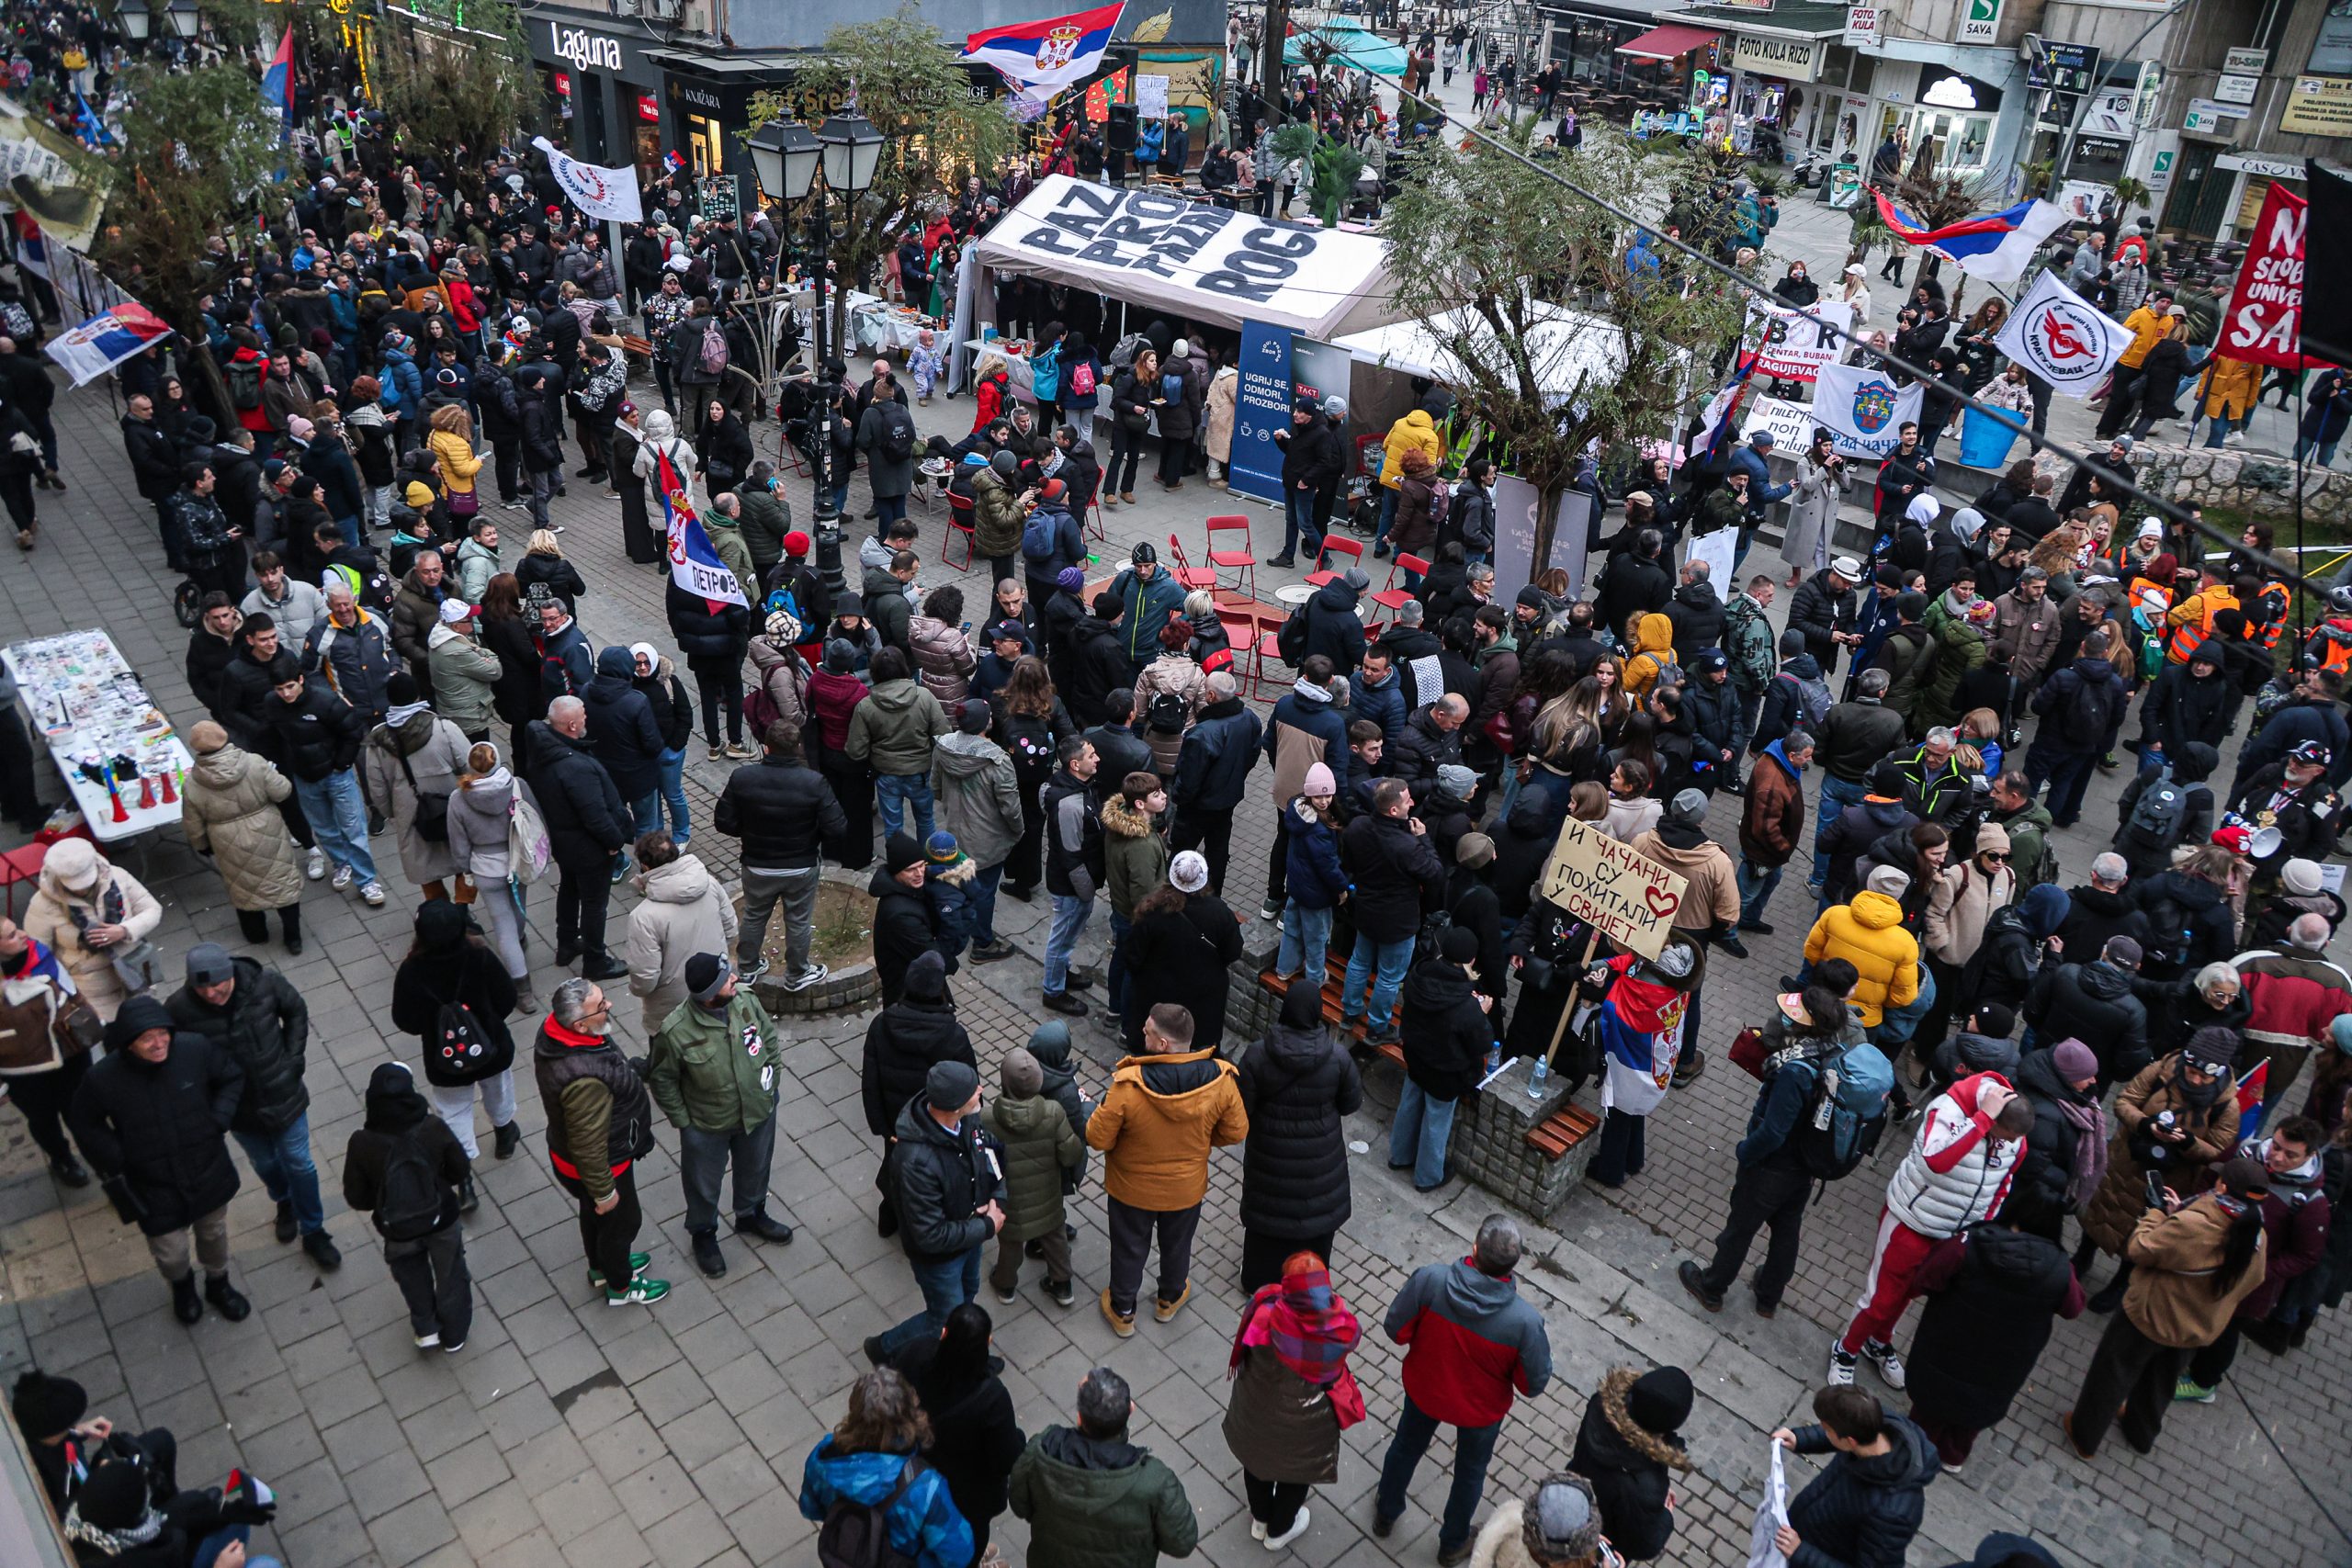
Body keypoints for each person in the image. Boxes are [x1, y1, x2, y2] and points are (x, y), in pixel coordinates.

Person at [1680, 976, 1873, 1317]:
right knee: (1786, 1230)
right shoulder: (1835, 1054)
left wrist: (1745, 1151)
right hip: (1805, 1165)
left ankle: (1712, 1286)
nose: (1787, 1018)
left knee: (1739, 1229)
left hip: (1773, 1166)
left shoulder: (1795, 1071)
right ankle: (1768, 1296)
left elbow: (1773, 1131)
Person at [2063, 1155, 2270, 1458]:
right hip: (2196, 1328)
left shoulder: (2197, 1226)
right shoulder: (2257, 1235)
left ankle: (2084, 1435)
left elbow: (2139, 1247)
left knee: (2112, 1375)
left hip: (2150, 1318)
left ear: (2223, 1186)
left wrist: (2157, 1214)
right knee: (2160, 1383)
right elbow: (2255, 1279)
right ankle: (2140, 1433)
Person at [1374, 1215, 1554, 1564]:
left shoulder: (1430, 1280)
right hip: (1480, 1413)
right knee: (1470, 1473)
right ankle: (1453, 1542)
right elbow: (1533, 1385)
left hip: (1425, 1392)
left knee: (1405, 1448)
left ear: (1474, 1248)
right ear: (1513, 1267)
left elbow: (1396, 1330)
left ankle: (1386, 1511)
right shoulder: (1525, 1323)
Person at [68, 998, 252, 1325]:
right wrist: (118, 1157)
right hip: (152, 1185)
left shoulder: (194, 1049)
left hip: (207, 1171)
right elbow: (84, 1122)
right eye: (147, 1038)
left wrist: (218, 1119)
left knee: (213, 1234)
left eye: (163, 1034)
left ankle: (218, 1283)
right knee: (171, 1252)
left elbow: (230, 1075)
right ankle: (182, 1288)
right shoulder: (103, 1078)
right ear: (128, 1043)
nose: (158, 1043)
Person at [164, 944, 339, 1270]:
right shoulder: (179, 1009)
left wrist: (293, 1060)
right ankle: (283, 1200)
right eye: (202, 988)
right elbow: (178, 1056)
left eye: (218, 985)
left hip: (283, 1095)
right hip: (238, 1109)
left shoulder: (265, 984)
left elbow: (296, 1011)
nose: (212, 993)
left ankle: (314, 1230)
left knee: (300, 1163)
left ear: (230, 973)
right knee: (265, 1161)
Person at [1087, 1002, 1246, 1334]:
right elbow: (1236, 1131)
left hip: (1131, 1191)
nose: (1141, 1031)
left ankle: (1123, 1310)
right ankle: (1169, 1301)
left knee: (1130, 1248)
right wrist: (1199, 1142)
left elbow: (1098, 1138)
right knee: (1177, 1245)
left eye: (1148, 1030)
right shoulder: (1221, 1081)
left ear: (1162, 1044)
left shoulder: (1128, 1087)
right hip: (1186, 1189)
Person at [1903, 1197, 2084, 1473]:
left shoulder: (1970, 1244)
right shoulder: (2060, 1269)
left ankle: (1911, 1451)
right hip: (2004, 1361)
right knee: (1975, 1409)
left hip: (1947, 1342)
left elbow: (1927, 1278)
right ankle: (1952, 1456)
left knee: (1932, 1403)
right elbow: (2073, 1308)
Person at [647, 953, 794, 1279]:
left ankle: (751, 1214)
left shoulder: (744, 1000)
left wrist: (772, 1083)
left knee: (756, 1167)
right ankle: (703, 1234)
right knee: (702, 1184)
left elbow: (767, 1037)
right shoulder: (676, 1031)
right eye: (727, 978)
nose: (735, 979)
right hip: (706, 1125)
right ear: (711, 995)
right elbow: (662, 1079)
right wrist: (683, 1122)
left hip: (757, 1111)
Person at [2074, 1029, 2242, 1313]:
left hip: (2171, 1179)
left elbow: (2218, 1150)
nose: (2196, 1080)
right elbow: (2124, 1101)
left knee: (2145, 1230)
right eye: (2191, 1072)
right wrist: (2144, 1124)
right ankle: (2082, 1258)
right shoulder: (2161, 1069)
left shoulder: (2228, 1104)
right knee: (2102, 1210)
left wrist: (2189, 1143)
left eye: (2205, 1077)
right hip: (2127, 1162)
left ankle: (2121, 1284)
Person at [535, 976, 669, 1304]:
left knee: (595, 1216)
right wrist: (605, 1191)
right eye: (600, 1006)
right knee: (621, 1222)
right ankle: (621, 1286)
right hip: (603, 1165)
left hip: (571, 1158)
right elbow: (588, 1145)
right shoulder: (583, 1081)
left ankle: (600, 1269)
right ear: (580, 1025)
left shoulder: (558, 1033)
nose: (608, 1006)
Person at [1222, 1249, 1365, 1551]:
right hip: (1308, 1419)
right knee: (1296, 1473)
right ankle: (1280, 1530)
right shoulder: (1340, 1328)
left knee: (1256, 1461)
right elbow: (1353, 1336)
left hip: (1258, 1405)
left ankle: (1260, 1519)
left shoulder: (1263, 1306)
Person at [867, 1059, 1007, 1363]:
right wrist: (987, 1227)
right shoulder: (915, 1162)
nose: (981, 1090)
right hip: (941, 1258)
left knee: (967, 1294)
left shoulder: (967, 1120)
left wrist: (998, 1199)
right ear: (953, 1106)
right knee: (943, 1320)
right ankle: (885, 1348)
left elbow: (991, 1156)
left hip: (969, 1235)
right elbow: (929, 1235)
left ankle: (969, 1353)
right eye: (973, 1090)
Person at [1009, 1365, 1201, 1568]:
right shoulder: (1155, 1480)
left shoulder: (1042, 1450)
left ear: (1080, 1417)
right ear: (1131, 1409)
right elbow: (1182, 1543)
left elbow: (1019, 1504)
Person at [1237, 985, 1363, 1291]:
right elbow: (1350, 1103)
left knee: (1268, 1216)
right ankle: (1309, 1286)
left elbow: (1242, 1107)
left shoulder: (1257, 1054)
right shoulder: (1338, 1057)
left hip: (1270, 1155)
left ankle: (1258, 1280)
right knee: (1313, 1222)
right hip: (1321, 1161)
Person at [343, 1061, 473, 1352]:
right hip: (440, 1218)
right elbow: (460, 1168)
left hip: (397, 1228)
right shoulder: (432, 1127)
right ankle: (454, 1334)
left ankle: (426, 1329)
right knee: (451, 1273)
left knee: (412, 1277)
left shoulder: (362, 1142)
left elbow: (357, 1197)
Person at [797, 1368, 976, 1568]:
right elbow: (959, 1555)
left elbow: (810, 1508)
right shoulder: (926, 1488)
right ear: (910, 1414)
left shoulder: (824, 1459)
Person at [260, 655, 387, 908]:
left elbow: (352, 732)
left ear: (301, 680)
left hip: (336, 776)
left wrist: (341, 764)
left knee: (354, 831)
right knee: (325, 829)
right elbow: (275, 736)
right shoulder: (272, 705)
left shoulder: (325, 701)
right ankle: (341, 864)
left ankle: (367, 881)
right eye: (279, 689)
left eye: (289, 687)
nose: (285, 694)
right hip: (304, 776)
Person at [1768, 1388, 1939, 1568]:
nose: (1824, 1432)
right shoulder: (1874, 1423)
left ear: (1850, 1442)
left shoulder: (1892, 1514)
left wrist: (1801, 1553)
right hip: (1807, 1533)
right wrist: (1800, 1439)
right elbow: (1841, 1429)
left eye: (1826, 1430)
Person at [526, 696, 631, 981]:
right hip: (588, 848)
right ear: (572, 725)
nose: (587, 719)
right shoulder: (575, 768)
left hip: (564, 841)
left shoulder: (541, 748)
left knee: (570, 889)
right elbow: (595, 816)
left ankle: (567, 942)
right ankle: (596, 961)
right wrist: (614, 841)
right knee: (596, 904)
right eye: (583, 715)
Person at [179, 721, 304, 953]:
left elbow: (193, 823)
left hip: (226, 840)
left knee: (242, 888)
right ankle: (293, 937)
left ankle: (256, 935)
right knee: (281, 881)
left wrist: (201, 845)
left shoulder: (193, 783)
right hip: (267, 830)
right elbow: (282, 790)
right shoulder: (255, 763)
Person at [1340, 779, 1447, 1044]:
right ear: (1394, 811)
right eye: (1407, 800)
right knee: (1389, 977)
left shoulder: (1357, 828)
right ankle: (1377, 1028)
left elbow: (1349, 863)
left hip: (1366, 912)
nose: (1412, 802)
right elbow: (1435, 874)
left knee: (1359, 962)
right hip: (1398, 923)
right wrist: (1423, 838)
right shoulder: (1406, 845)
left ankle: (1350, 1012)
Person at [980, 1045, 1084, 1308]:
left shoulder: (987, 1119)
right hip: (1048, 1197)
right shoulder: (1053, 1112)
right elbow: (1071, 1154)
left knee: (1011, 1245)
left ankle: (1005, 1286)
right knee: (1055, 1239)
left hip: (1009, 1202)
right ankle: (1062, 1286)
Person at [0, 916, 99, 1186]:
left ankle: (104, 1164)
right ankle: (61, 1158)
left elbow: (71, 993)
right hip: (25, 1070)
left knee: (81, 1111)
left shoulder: (38, 953)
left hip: (68, 1053)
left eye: (15, 928)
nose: (22, 934)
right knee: (43, 1119)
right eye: (10, 936)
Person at [362, 673, 472, 899]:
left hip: (409, 810)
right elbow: (470, 765)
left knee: (426, 871)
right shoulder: (443, 727)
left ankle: (440, 914)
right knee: (465, 862)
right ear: (416, 695)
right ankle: (462, 911)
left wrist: (393, 813)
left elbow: (377, 788)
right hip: (451, 804)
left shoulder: (378, 740)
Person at [1565, 1367, 1691, 1562]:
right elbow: (1645, 1546)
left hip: (1574, 1498)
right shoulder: (1645, 1487)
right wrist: (1665, 1515)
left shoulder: (1601, 1405)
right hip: (1607, 1541)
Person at [1042, 737, 1105, 1016]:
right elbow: (1071, 856)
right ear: (1075, 764)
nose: (1098, 759)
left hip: (1077, 883)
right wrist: (1087, 891)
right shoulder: (1069, 805)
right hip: (1071, 886)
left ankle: (1062, 973)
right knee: (1061, 938)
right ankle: (1053, 991)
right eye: (1092, 755)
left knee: (1067, 936)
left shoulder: (1079, 787)